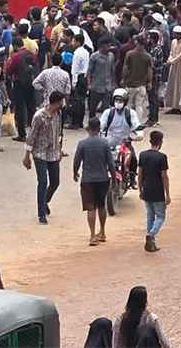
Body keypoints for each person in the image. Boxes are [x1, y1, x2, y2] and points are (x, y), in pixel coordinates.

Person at [24, 91, 66, 224]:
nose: (63, 105)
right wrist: (27, 156)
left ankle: (44, 201)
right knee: (42, 182)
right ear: (56, 102)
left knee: (55, 182)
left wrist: (59, 150)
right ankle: (41, 213)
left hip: (53, 153)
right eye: (61, 102)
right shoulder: (39, 116)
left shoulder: (58, 115)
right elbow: (32, 136)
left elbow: (59, 133)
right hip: (40, 153)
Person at [74, 117, 114, 246]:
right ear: (99, 128)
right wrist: (113, 176)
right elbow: (110, 163)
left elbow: (77, 161)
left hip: (88, 180)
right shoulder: (105, 143)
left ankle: (92, 235)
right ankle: (102, 232)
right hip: (102, 179)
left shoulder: (82, 144)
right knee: (102, 206)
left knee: (91, 208)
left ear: (88, 128)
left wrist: (75, 173)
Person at [137, 129, 170, 252]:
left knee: (150, 215)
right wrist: (167, 194)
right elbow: (164, 177)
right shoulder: (162, 157)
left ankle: (151, 242)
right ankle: (151, 235)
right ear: (160, 142)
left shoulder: (143, 155)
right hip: (158, 191)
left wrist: (140, 189)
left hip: (146, 189)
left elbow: (140, 175)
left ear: (150, 141)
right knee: (160, 216)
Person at [163, 26, 181, 113]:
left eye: (178, 34)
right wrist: (168, 60)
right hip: (173, 66)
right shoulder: (173, 41)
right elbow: (171, 53)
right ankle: (173, 106)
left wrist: (170, 62)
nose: (176, 35)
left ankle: (178, 107)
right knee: (171, 85)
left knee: (179, 86)